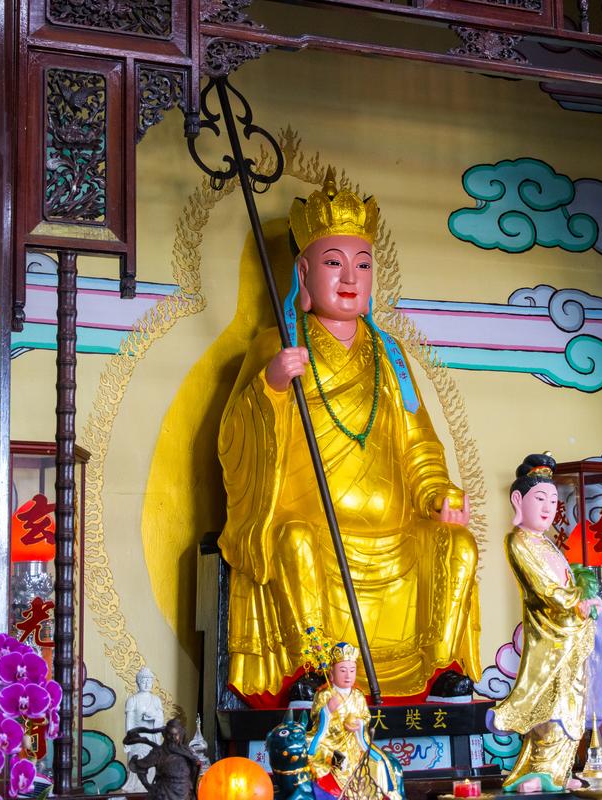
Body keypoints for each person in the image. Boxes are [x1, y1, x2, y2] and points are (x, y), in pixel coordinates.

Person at [218, 170, 479, 703]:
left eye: (363, 265)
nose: (350, 277)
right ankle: (313, 669)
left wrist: (438, 490)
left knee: (457, 544)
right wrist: (269, 387)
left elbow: (419, 441)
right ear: (304, 274)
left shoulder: (390, 355)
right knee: (292, 542)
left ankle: (441, 670)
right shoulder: (277, 343)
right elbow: (232, 439)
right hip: (315, 527)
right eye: (334, 263)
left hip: (394, 534)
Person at [490, 454, 601, 793]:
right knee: (550, 708)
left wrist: (583, 602)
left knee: (571, 706)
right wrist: (576, 603)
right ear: (517, 501)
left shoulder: (548, 544)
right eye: (540, 499)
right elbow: (545, 589)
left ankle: (560, 772)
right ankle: (538, 775)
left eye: (553, 500)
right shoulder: (519, 541)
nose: (548, 507)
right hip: (549, 641)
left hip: (570, 637)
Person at [307, 642, 402, 799]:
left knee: (380, 761)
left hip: (354, 742)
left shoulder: (358, 695)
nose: (348, 675)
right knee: (329, 758)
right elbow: (316, 720)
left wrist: (359, 725)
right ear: (331, 673)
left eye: (352, 670)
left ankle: (388, 794)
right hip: (330, 742)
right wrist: (327, 710)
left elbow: (365, 717)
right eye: (342, 670)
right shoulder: (325, 695)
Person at [123, 666, 165, 793]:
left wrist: (154, 717)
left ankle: (151, 787)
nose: (146, 684)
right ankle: (136, 788)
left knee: (153, 763)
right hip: (137, 739)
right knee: (137, 762)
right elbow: (129, 722)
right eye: (143, 680)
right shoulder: (133, 700)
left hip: (152, 739)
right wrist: (128, 741)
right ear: (138, 682)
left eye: (149, 681)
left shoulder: (156, 700)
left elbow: (161, 719)